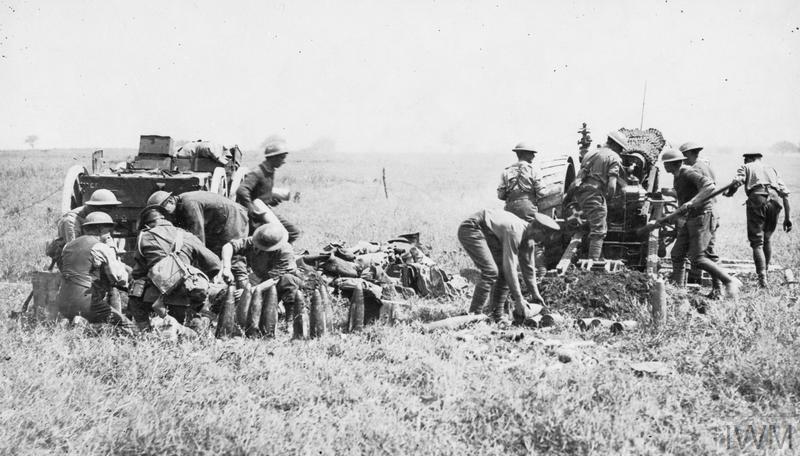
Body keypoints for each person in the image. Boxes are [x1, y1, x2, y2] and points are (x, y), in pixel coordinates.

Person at [127, 206, 223, 332]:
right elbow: (215, 264)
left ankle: (145, 332)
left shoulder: (144, 237)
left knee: (135, 288)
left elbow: (138, 273)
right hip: (186, 296)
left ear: (147, 225)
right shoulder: (187, 236)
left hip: (153, 300)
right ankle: (198, 326)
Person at [661, 149, 741, 298]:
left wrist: (692, 202)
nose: (664, 167)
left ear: (672, 164)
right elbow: (685, 194)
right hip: (690, 217)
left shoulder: (687, 172)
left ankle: (729, 281)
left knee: (697, 258)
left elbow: (709, 186)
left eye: (665, 164)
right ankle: (679, 292)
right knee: (677, 254)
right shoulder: (677, 177)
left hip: (702, 216)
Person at [457, 209, 560, 322]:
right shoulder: (515, 232)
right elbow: (510, 268)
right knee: (491, 272)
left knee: (502, 274)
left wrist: (536, 295)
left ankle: (496, 316)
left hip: (489, 232)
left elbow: (529, 270)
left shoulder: (529, 238)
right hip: (473, 228)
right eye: (546, 237)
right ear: (539, 231)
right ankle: (473, 316)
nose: (544, 242)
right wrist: (519, 299)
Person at [54, 212, 134, 329]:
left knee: (95, 323)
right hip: (86, 302)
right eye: (108, 230)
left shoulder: (68, 246)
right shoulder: (101, 247)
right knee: (127, 326)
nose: (109, 234)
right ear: (99, 229)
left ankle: (78, 323)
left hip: (62, 301)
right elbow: (119, 278)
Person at [724, 151, 792, 288]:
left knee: (757, 243)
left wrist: (729, 193)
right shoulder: (771, 169)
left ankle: (762, 280)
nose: (745, 162)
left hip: (758, 200)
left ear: (749, 159)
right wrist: (788, 218)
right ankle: (765, 273)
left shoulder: (747, 167)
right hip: (774, 201)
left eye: (746, 160)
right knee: (767, 239)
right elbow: (785, 195)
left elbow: (737, 181)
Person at [216, 222, 304, 319]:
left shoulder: (285, 251)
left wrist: (249, 291)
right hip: (262, 279)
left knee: (287, 280)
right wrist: (226, 268)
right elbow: (229, 246)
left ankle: (290, 318)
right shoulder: (254, 242)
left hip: (282, 283)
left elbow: (276, 279)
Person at [572, 131, 626, 260]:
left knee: (591, 224)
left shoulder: (591, 153)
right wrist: (608, 200)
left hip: (581, 193)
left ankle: (595, 256)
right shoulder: (614, 157)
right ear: (617, 146)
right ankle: (593, 265)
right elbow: (612, 186)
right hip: (595, 194)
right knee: (599, 231)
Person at [678, 142, 722, 298]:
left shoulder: (694, 169)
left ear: (689, 154)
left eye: (683, 157)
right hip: (711, 212)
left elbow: (706, 189)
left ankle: (721, 286)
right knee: (709, 252)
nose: (682, 160)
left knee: (699, 255)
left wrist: (690, 203)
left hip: (702, 213)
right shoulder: (706, 166)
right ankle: (717, 289)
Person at [235, 143, 301, 243]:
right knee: (284, 234)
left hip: (264, 209)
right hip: (257, 214)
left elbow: (260, 193)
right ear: (273, 158)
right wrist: (251, 210)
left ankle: (279, 253)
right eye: (282, 158)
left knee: (292, 232)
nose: (283, 162)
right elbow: (242, 190)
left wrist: (271, 200)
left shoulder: (270, 171)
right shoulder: (258, 172)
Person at [49, 189, 122, 267]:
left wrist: (112, 255)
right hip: (73, 262)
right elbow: (74, 250)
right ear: (94, 207)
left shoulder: (98, 216)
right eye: (107, 208)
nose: (109, 212)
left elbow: (107, 237)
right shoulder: (71, 221)